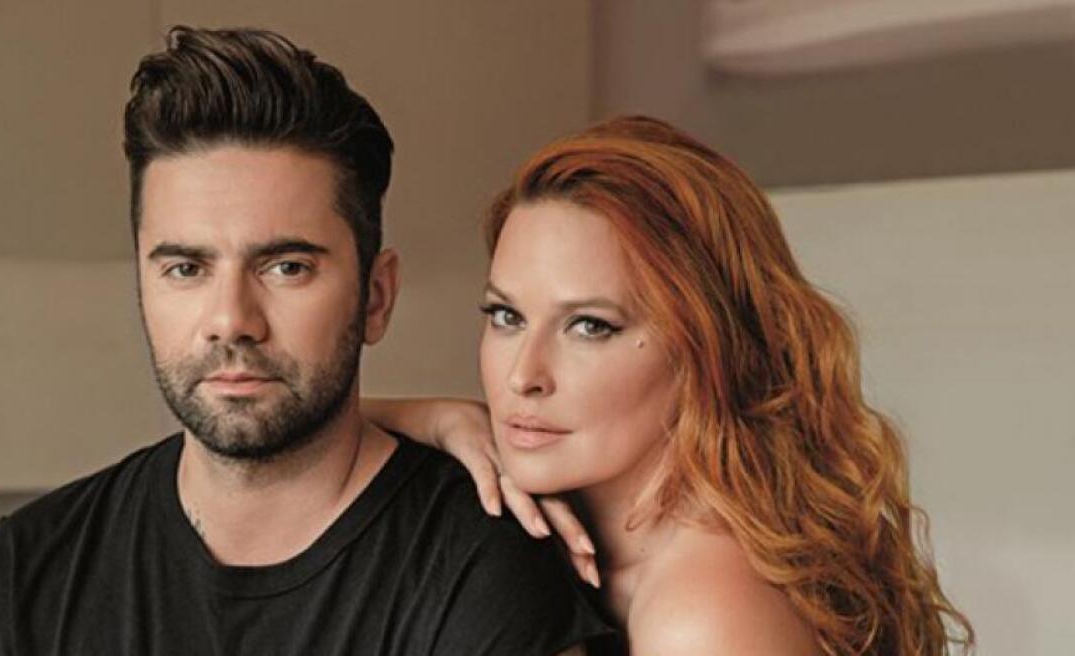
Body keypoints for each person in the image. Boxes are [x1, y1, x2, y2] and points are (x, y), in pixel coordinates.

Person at [0, 26, 610, 655]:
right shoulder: (32, 566)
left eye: (286, 268)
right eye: (186, 269)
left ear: (376, 298)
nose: (231, 320)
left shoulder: (484, 567)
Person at [367, 116, 976, 655]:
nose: (523, 376)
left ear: (703, 346)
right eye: (506, 316)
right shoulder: (612, 548)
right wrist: (441, 418)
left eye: (590, 327)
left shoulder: (704, 617)